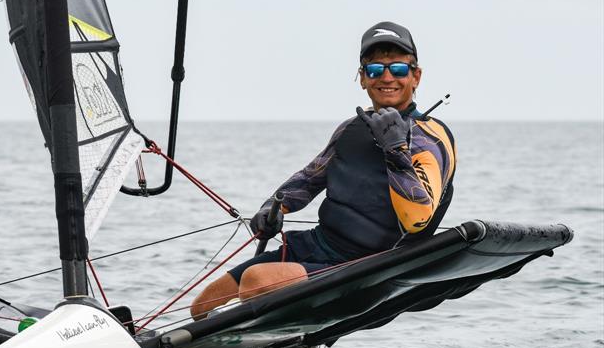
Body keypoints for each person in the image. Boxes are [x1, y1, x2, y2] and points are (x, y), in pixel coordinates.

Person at [190, 21, 456, 320]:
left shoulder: (428, 139)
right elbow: (309, 177)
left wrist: (395, 151)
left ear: (416, 76)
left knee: (257, 282)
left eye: (397, 69)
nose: (386, 78)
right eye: (374, 70)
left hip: (364, 267)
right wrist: (274, 207)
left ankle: (264, 343)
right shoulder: (352, 128)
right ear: (362, 79)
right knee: (202, 305)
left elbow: (419, 219)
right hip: (319, 244)